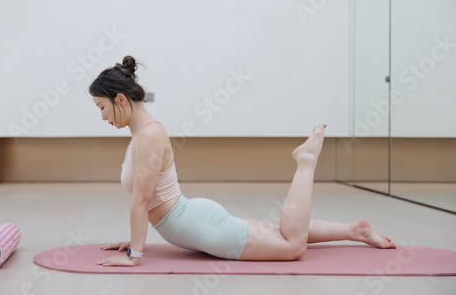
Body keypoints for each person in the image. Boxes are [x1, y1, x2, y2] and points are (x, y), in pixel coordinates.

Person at [91, 56, 396, 267]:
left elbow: (141, 202)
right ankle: (354, 231)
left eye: (102, 107)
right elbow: (147, 201)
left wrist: (134, 253)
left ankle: (306, 162)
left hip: (198, 226)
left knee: (293, 247)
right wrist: (133, 240)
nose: (102, 116)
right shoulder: (143, 133)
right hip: (195, 222)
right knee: (281, 234)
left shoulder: (149, 135)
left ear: (120, 99)